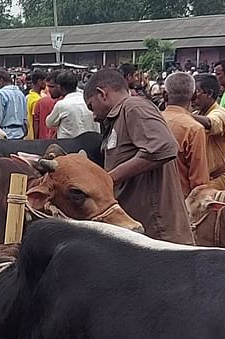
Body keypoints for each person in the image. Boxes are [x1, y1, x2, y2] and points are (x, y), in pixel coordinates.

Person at [83, 69, 193, 245]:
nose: (94, 116)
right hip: (141, 231)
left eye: (91, 106)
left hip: (158, 231)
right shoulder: (117, 119)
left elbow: (164, 146)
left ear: (102, 94)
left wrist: (108, 179)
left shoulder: (134, 107)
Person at [162, 72, 208, 197]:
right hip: (180, 201)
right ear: (193, 97)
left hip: (149, 199)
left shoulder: (151, 121)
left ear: (165, 95)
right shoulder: (193, 129)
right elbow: (198, 181)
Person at [191, 74, 225, 190]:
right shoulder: (196, 114)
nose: (192, 97)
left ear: (209, 94)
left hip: (215, 180)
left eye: (196, 92)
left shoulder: (220, 113)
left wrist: (181, 114)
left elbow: (211, 122)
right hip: (200, 180)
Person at [45, 70, 98, 139]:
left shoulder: (62, 105)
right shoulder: (88, 100)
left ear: (61, 88)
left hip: (68, 146)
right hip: (91, 145)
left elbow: (49, 123)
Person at [0, 70, 27, 140]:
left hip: (5, 134)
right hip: (20, 133)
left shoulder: (0, 94)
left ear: (1, 80)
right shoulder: (20, 94)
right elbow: (25, 116)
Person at [25, 71, 46, 140]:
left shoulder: (30, 96)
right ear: (39, 81)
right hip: (34, 137)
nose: (46, 84)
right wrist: (36, 139)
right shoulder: (36, 100)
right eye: (44, 81)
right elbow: (35, 121)